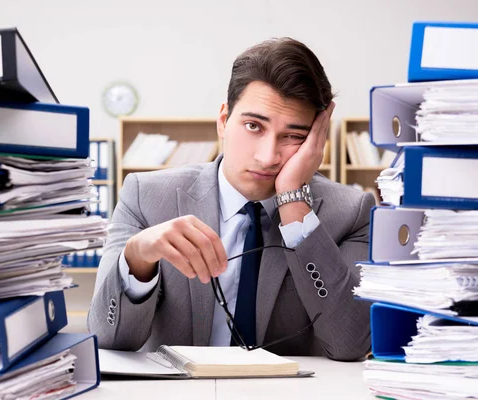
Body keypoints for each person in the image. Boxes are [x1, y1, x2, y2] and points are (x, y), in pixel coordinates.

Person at [88, 37, 373, 361]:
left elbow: (351, 344)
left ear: (316, 139)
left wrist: (294, 201)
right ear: (223, 120)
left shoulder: (352, 213)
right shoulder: (146, 197)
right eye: (254, 126)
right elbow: (107, 340)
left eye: (293, 136)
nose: (267, 157)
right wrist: (137, 259)